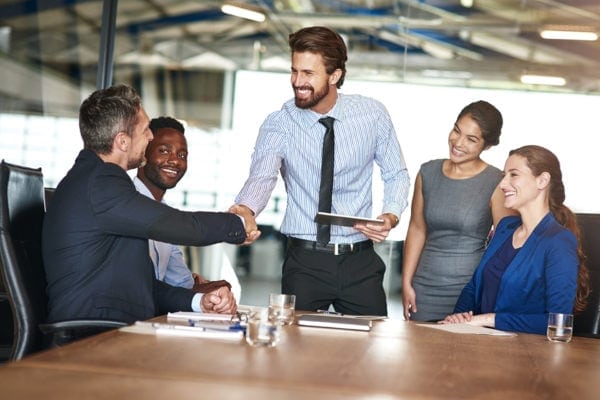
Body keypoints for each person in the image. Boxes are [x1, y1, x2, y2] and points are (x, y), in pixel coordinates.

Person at [231, 26, 410, 316]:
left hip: (360, 262)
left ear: (335, 75)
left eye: (308, 74)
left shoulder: (372, 115)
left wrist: (390, 214)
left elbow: (396, 173)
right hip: (305, 262)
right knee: (294, 351)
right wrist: (246, 210)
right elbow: (261, 178)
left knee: (369, 351)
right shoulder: (280, 123)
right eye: (294, 71)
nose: (297, 82)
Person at [42, 84, 258, 324]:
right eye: (145, 130)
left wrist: (198, 302)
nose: (151, 136)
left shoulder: (94, 181)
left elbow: (137, 284)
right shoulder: (101, 183)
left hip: (106, 325)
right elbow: (179, 224)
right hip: (91, 334)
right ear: (123, 141)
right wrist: (238, 223)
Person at [440, 145, 590, 334]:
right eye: (504, 175)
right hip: (480, 343)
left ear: (542, 180)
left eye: (513, 175)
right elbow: (474, 287)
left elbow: (558, 322)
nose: (503, 184)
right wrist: (457, 321)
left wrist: (486, 320)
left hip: (526, 354)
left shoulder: (558, 241)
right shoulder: (505, 227)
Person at [401, 100, 515, 322]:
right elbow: (417, 229)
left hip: (467, 292)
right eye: (456, 130)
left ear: (487, 145)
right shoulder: (428, 172)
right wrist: (406, 282)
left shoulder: (496, 182)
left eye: (471, 139)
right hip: (423, 289)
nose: (458, 142)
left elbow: (504, 245)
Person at [134, 116, 233, 294]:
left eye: (182, 155)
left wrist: (217, 289)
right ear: (143, 153)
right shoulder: (127, 203)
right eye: (164, 151)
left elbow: (181, 284)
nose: (175, 161)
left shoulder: (167, 217)